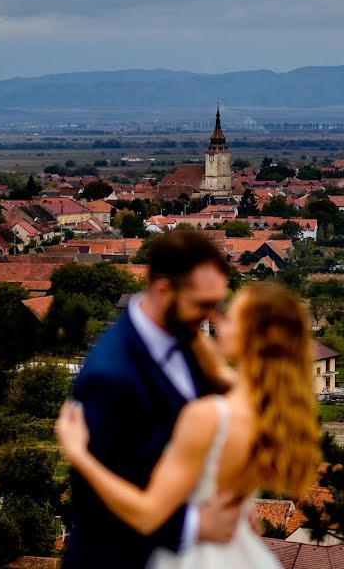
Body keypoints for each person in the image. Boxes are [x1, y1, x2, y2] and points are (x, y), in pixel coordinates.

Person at [56, 282, 320, 568]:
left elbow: (147, 515)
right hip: (240, 552)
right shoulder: (274, 412)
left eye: (230, 318)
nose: (218, 322)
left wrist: (80, 456)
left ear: (252, 336)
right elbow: (219, 373)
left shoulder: (208, 416)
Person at [63, 230, 243, 568]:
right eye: (203, 304)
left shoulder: (187, 338)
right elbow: (95, 504)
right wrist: (195, 526)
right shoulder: (109, 375)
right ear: (164, 289)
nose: (212, 317)